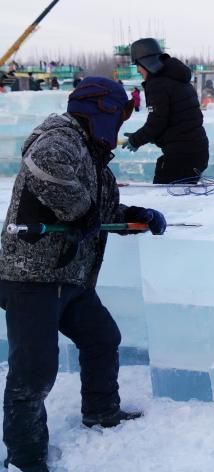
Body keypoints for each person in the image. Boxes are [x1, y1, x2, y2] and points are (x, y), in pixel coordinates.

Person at [0, 78, 166, 472]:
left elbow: (100, 213)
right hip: (32, 279)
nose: (121, 125)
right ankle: (26, 458)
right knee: (35, 371)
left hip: (70, 277)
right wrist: (82, 213)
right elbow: (45, 169)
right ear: (101, 111)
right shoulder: (62, 138)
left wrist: (134, 217)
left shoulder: (94, 161)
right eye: (119, 114)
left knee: (102, 337)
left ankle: (101, 411)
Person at [121, 38, 209, 184]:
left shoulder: (157, 84)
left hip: (181, 155)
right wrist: (143, 136)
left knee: (165, 199)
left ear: (146, 62)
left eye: (137, 65)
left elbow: (157, 122)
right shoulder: (176, 78)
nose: (137, 70)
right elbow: (175, 121)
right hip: (196, 150)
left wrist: (136, 140)